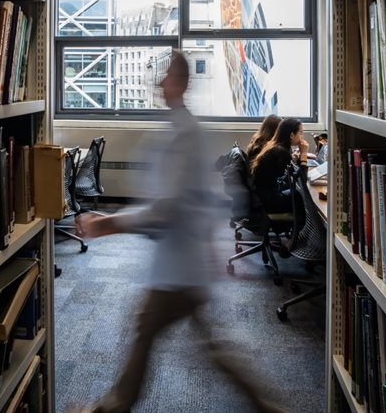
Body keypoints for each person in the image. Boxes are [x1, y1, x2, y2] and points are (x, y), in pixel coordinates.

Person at [72, 50, 287, 413]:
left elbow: (166, 207)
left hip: (178, 266)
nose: (159, 82)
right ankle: (266, 406)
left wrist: (107, 223)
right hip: (184, 263)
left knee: (151, 334)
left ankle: (110, 408)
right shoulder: (183, 129)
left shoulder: (183, 134)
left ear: (182, 82)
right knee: (210, 347)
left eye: (167, 75)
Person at [250, 117, 309, 213]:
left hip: (261, 198)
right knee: (300, 196)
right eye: (301, 133)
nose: (302, 137)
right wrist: (303, 156)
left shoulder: (275, 146)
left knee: (296, 193)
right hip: (269, 202)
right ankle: (299, 227)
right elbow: (302, 182)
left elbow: (294, 176)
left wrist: (297, 160)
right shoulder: (281, 152)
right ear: (291, 135)